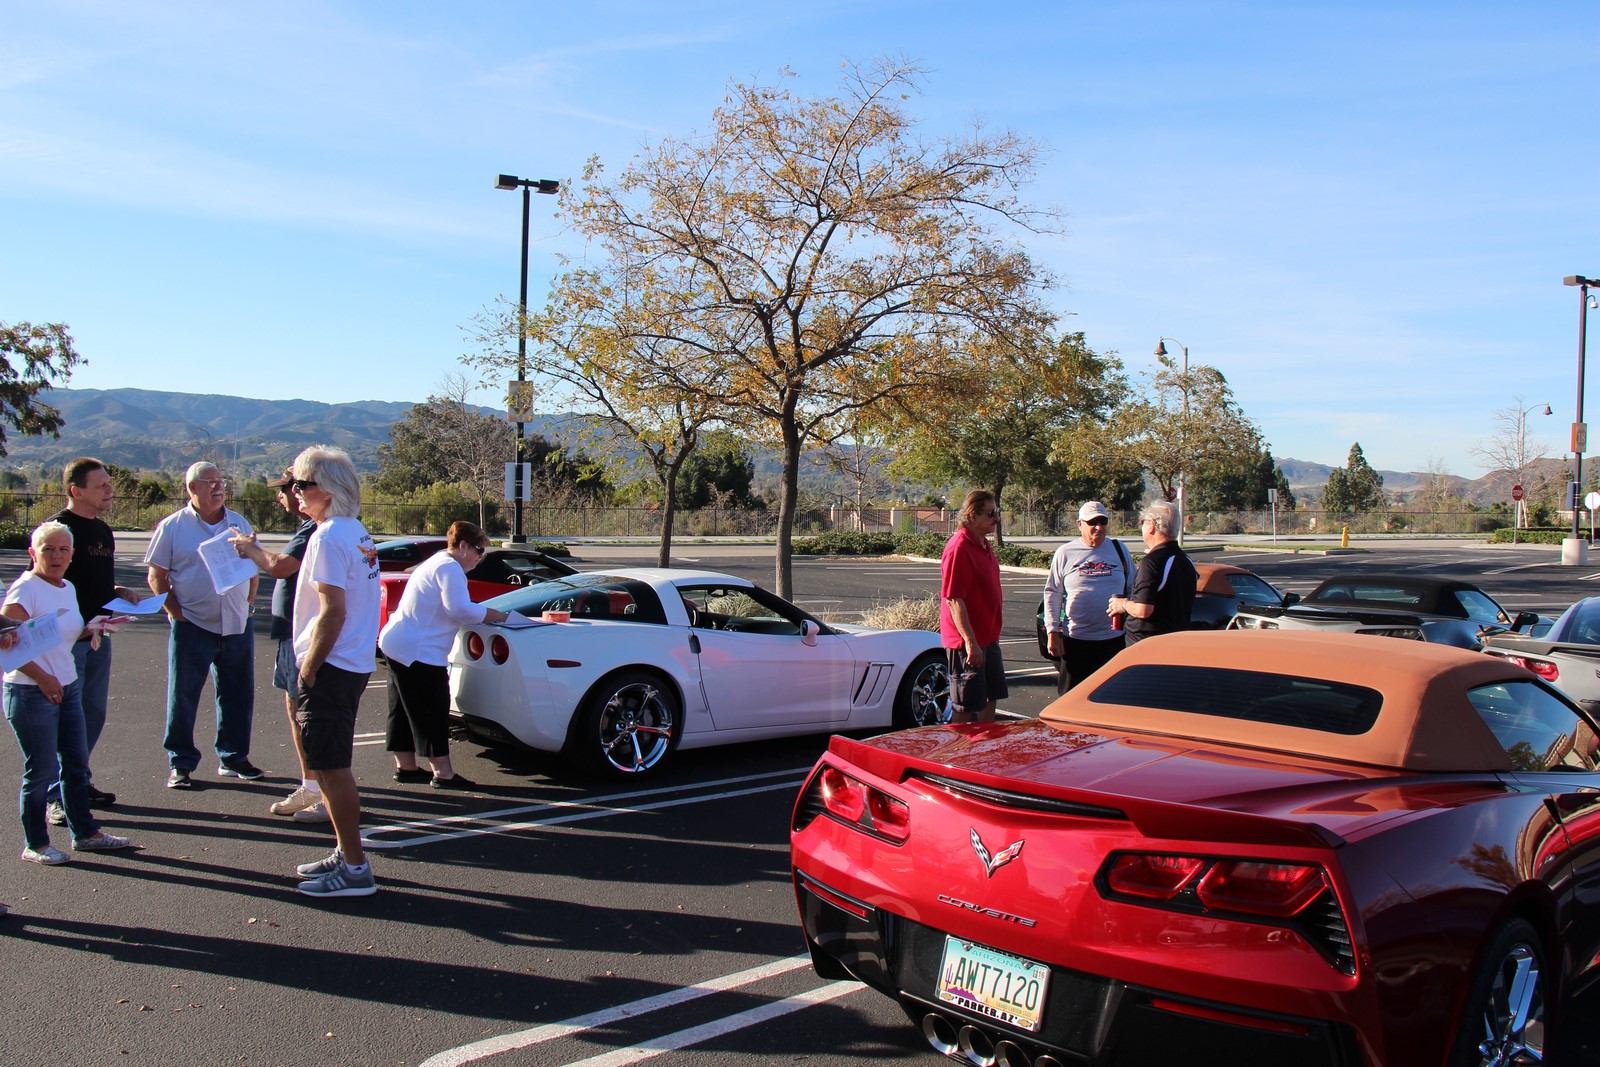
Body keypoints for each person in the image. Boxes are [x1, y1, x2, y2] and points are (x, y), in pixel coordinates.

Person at [4, 521, 134, 864]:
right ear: (33, 553)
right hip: (32, 692)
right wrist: (44, 679)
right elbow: (6, 646)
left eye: (63, 550)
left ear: (72, 554)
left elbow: (60, 634)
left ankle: (86, 834)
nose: (57, 555)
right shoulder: (25, 590)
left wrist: (92, 628)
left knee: (76, 766)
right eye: (48, 549)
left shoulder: (66, 587)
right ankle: (36, 844)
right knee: (41, 771)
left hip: (67, 686)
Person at [287, 446, 381, 898]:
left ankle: (356, 868)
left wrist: (308, 668)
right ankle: (345, 854)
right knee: (326, 764)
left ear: (325, 490)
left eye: (301, 485)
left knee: (331, 766)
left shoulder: (327, 537)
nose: (295, 493)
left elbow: (332, 612)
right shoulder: (356, 532)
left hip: (333, 664)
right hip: (352, 662)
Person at [145, 461, 260, 789]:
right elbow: (156, 574)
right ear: (192, 489)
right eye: (209, 482)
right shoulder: (173, 527)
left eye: (220, 481)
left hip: (237, 622)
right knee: (184, 695)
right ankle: (180, 763)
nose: (217, 487)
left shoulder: (237, 523)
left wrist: (249, 604)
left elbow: (254, 565)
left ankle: (234, 757)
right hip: (193, 624)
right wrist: (175, 611)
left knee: (238, 693)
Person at [44, 457, 144, 821]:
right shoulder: (57, 531)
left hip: (100, 637)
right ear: (76, 491)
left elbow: (92, 581)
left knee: (91, 715)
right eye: (100, 484)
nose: (109, 489)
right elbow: (43, 584)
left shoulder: (102, 530)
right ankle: (57, 795)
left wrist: (118, 590)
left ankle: (77, 781)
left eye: (108, 483)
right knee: (65, 719)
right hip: (68, 643)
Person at [379, 521, 507, 789]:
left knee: (402, 709)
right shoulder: (450, 567)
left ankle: (407, 767)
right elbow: (458, 609)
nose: (479, 558)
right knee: (432, 708)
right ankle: (444, 774)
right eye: (478, 551)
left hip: (397, 643)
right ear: (462, 546)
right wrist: (494, 615)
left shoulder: (435, 561)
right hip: (419, 651)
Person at [231, 469, 327, 822]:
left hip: (302, 636)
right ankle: (312, 784)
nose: (283, 496)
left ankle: (320, 790)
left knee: (306, 713)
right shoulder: (310, 529)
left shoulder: (316, 529)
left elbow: (283, 567)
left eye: (287, 489)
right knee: (295, 710)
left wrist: (253, 550)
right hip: (293, 631)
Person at [1042, 501, 1133, 694]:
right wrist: (1052, 632)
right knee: (1071, 701)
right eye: (1093, 522)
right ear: (1079, 524)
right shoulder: (1065, 553)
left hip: (1112, 641)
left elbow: (1132, 587)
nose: (1099, 527)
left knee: (1111, 699)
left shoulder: (1119, 549)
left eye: (1103, 521)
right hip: (1076, 641)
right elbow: (1053, 593)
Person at [939, 490, 1006, 723]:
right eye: (991, 513)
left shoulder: (983, 544)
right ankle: (959, 756)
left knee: (991, 697)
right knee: (966, 707)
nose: (996, 518)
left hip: (988, 640)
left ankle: (985, 752)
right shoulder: (959, 547)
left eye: (996, 512)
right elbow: (954, 599)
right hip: (967, 645)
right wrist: (970, 642)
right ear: (973, 515)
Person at [1108, 500, 1197, 644]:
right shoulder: (1185, 560)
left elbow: (1143, 609)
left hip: (1146, 645)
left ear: (1152, 526)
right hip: (1175, 640)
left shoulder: (1153, 561)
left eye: (1142, 522)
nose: (1141, 526)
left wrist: (1122, 604)